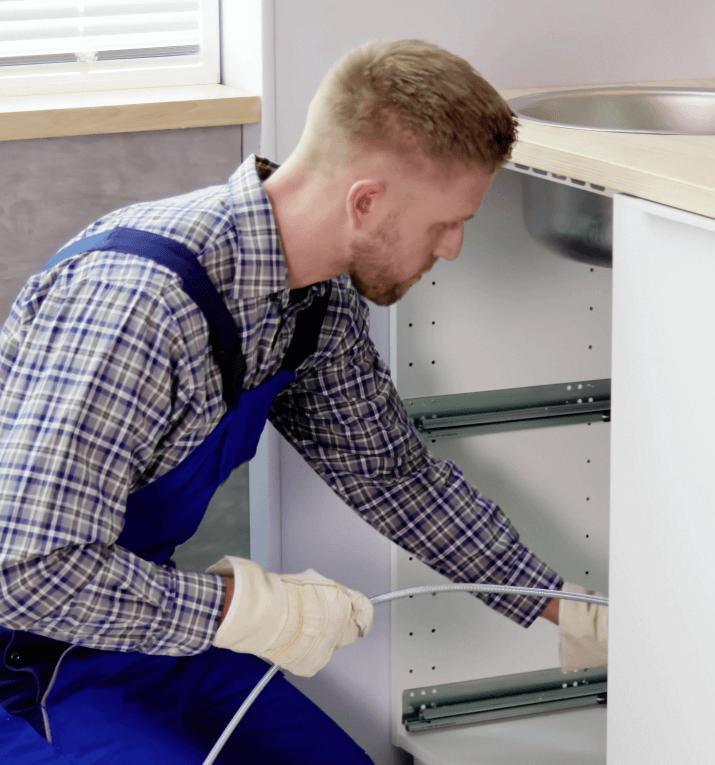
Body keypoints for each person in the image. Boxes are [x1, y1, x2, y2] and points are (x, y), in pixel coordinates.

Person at [0, 39, 607, 764]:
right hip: (27, 660)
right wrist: (246, 610)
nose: (452, 248)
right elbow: (26, 572)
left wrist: (556, 602)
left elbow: (393, 477)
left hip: (145, 632)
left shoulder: (313, 303)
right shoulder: (139, 304)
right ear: (366, 201)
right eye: (446, 222)